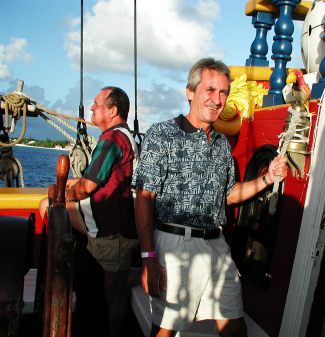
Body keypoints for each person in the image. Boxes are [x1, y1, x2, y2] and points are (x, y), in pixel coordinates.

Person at [132, 58, 288, 337]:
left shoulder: (220, 145)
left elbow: (228, 195)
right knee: (164, 332)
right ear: (190, 92)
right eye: (210, 90)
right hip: (175, 246)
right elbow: (144, 196)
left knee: (235, 328)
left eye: (224, 92)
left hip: (217, 247)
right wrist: (148, 258)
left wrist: (268, 178)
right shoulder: (163, 134)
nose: (217, 100)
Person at [39, 86, 139, 337]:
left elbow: (88, 187)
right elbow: (99, 179)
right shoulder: (124, 136)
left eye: (96, 103)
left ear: (112, 110)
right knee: (47, 203)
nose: (92, 108)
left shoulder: (112, 140)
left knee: (114, 296)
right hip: (104, 226)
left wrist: (65, 194)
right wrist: (69, 186)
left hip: (113, 234)